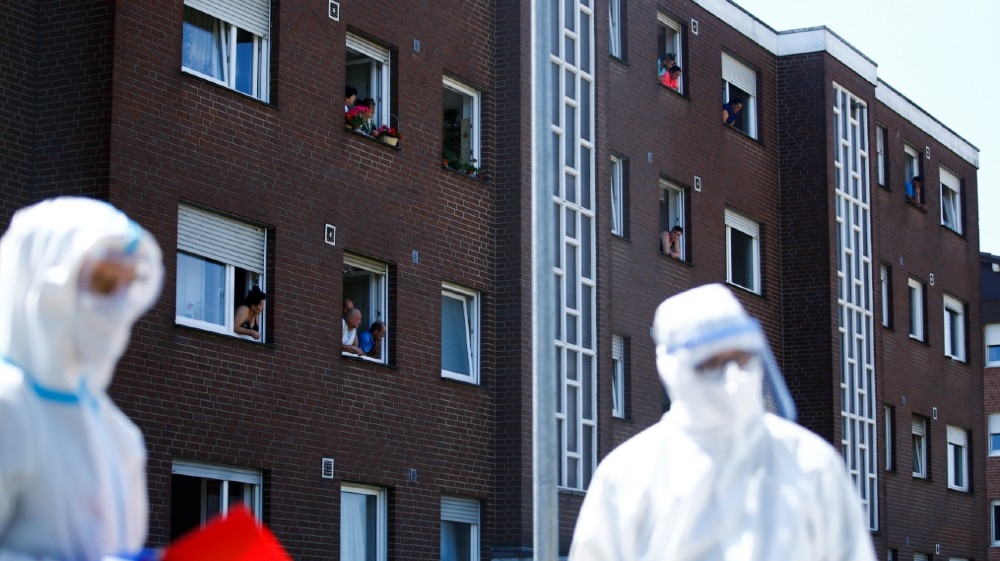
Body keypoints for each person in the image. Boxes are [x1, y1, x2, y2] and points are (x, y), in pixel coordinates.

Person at [569, 284, 877, 561]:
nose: (733, 377)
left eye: (742, 359)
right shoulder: (629, 476)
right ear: (675, 370)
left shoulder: (810, 464)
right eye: (712, 363)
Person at [0, 197, 163, 561]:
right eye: (104, 283)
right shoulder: (8, 405)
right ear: (42, 282)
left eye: (130, 284)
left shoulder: (118, 433)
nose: (120, 305)